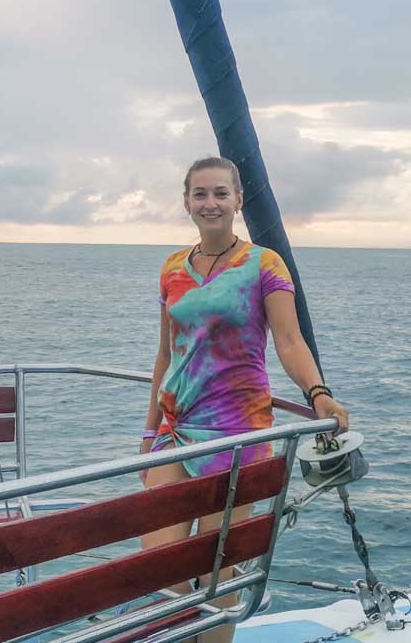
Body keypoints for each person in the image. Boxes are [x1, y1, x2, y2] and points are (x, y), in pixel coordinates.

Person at [139, 156, 349, 643]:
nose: (210, 203)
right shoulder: (172, 268)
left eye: (220, 193)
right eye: (200, 193)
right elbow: (166, 355)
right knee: (162, 572)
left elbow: (290, 342)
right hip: (176, 431)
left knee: (217, 576)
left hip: (238, 434)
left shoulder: (263, 264)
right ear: (186, 202)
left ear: (238, 200)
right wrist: (149, 432)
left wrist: (318, 394)